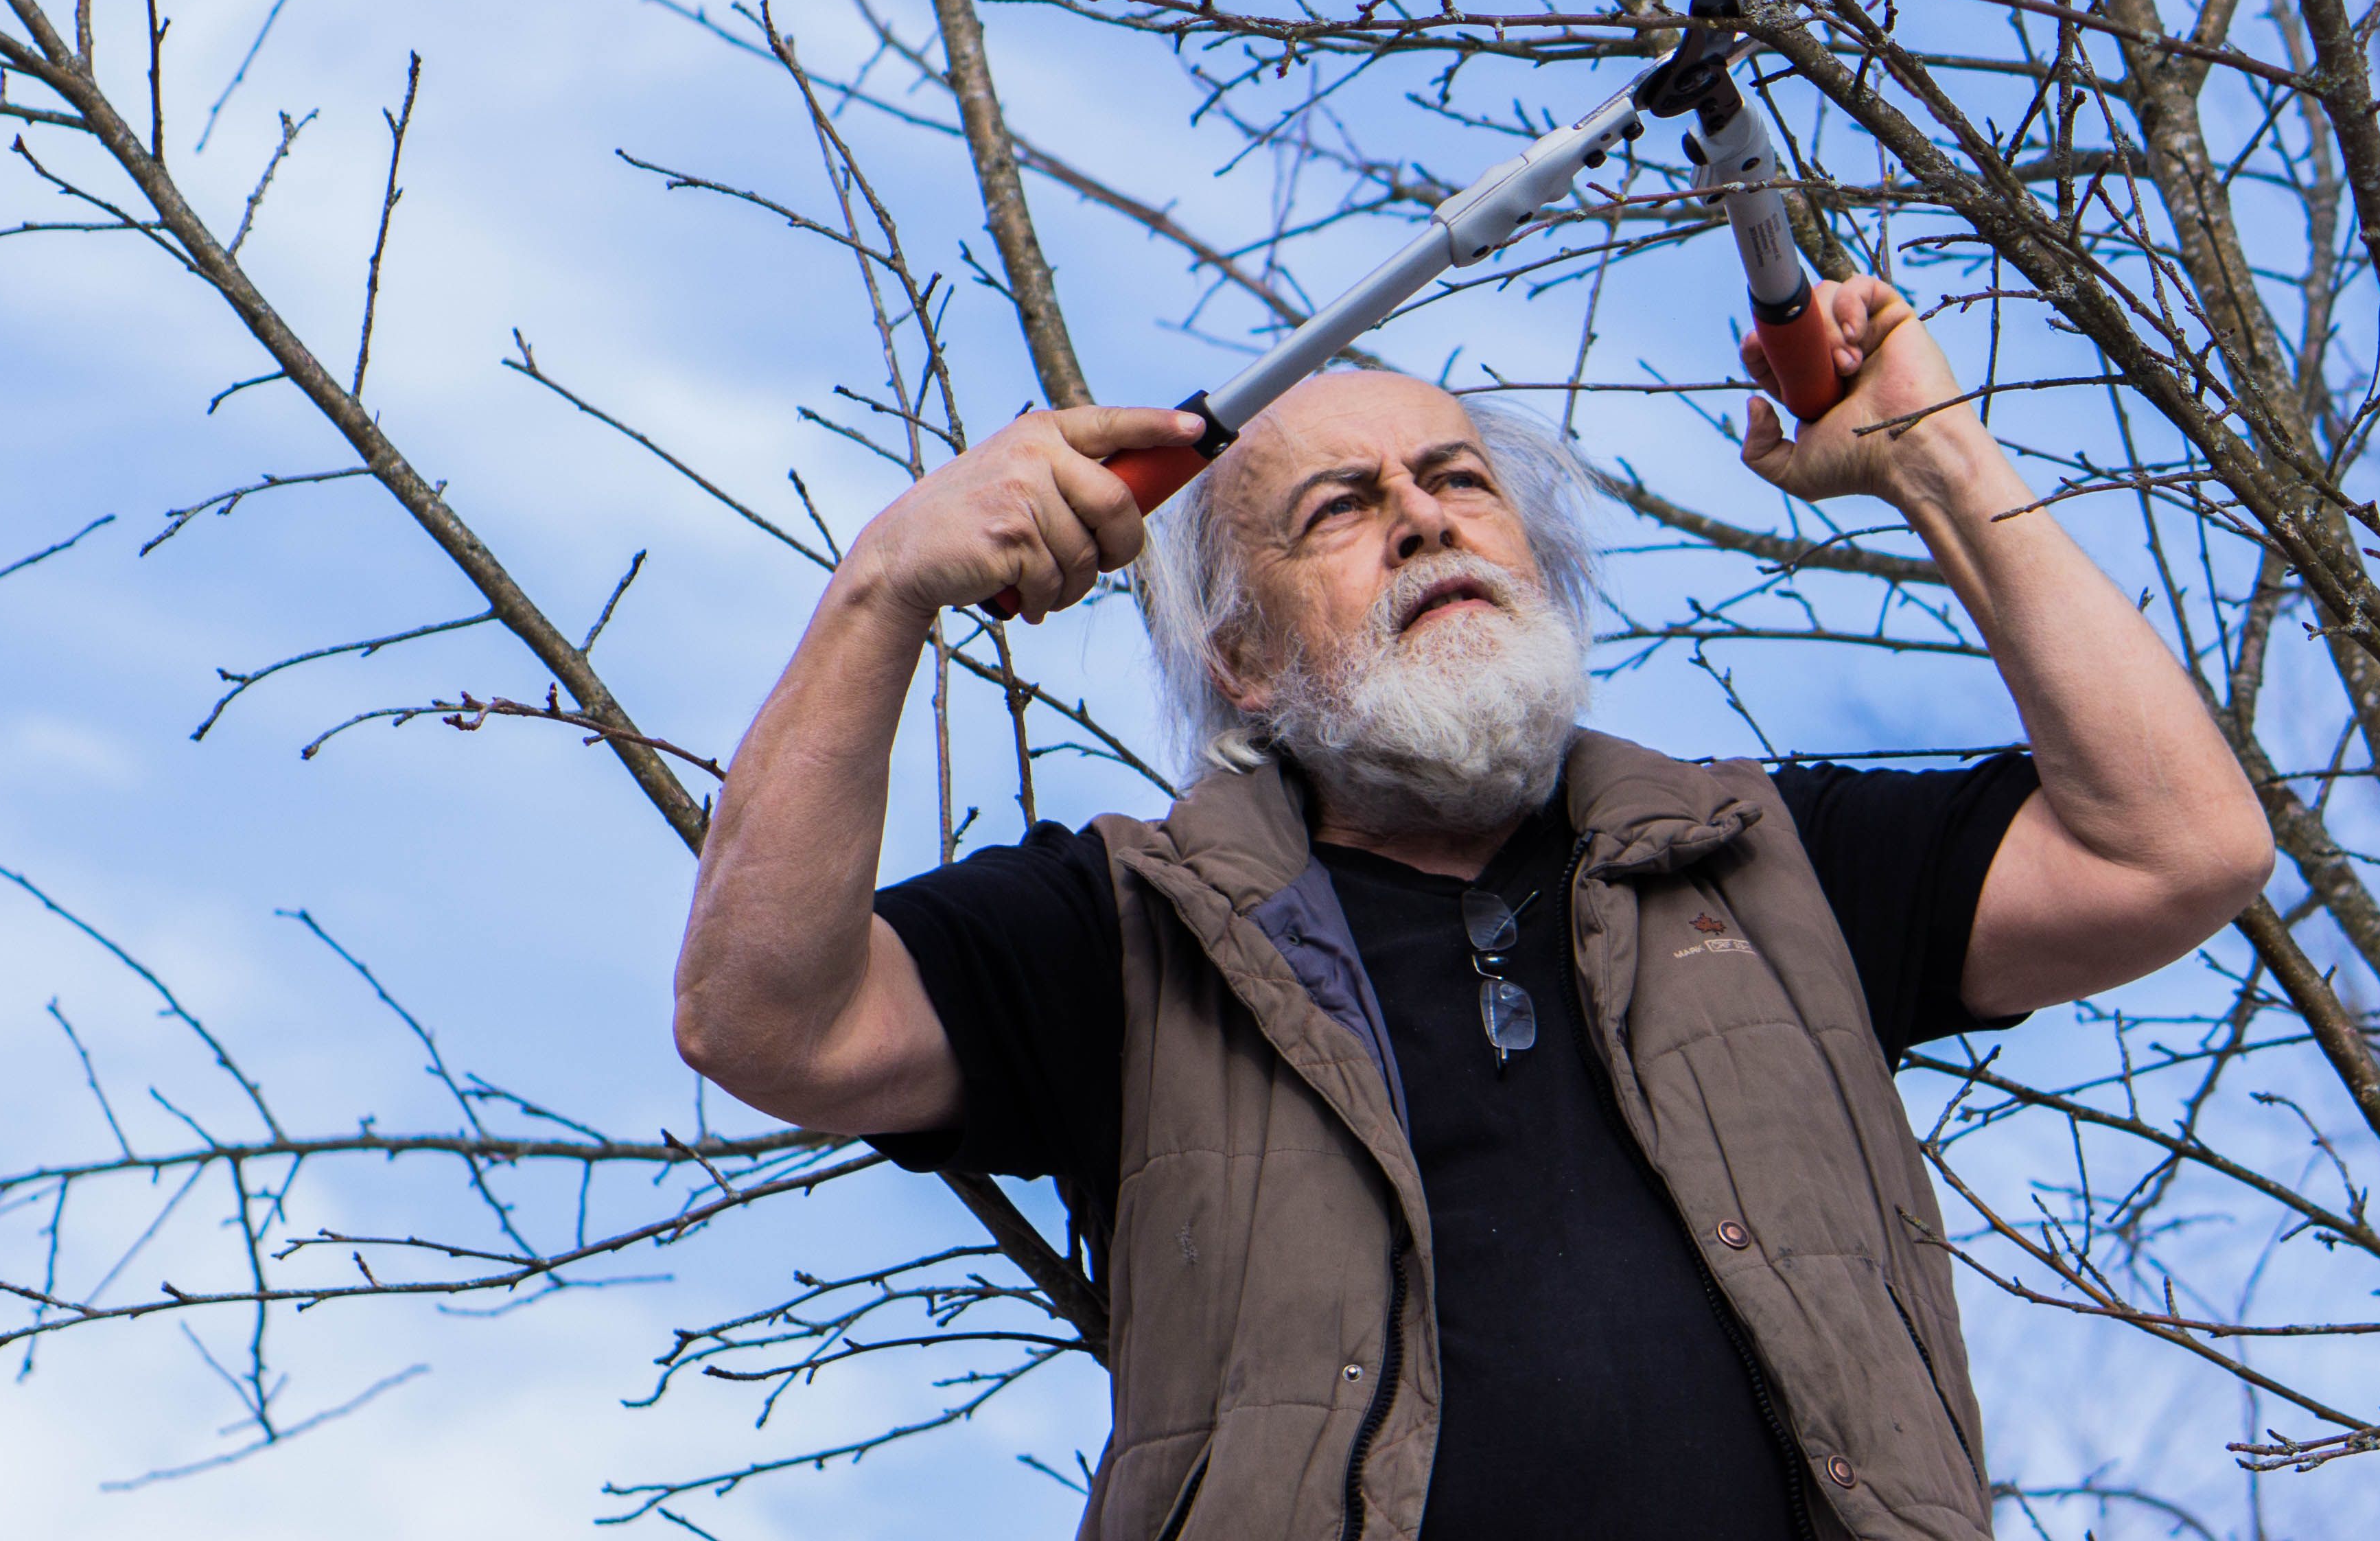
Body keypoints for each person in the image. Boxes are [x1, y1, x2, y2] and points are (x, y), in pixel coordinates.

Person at [674, 275, 2270, 1541]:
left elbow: (2177, 846)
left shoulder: (1768, 857)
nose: (1427, 514)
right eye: (1342, 509)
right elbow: (765, 1016)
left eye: (1456, 481)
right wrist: (884, 581)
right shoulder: (1135, 927)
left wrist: (1938, 454)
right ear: (1241, 660)